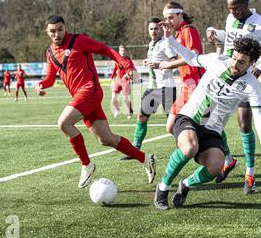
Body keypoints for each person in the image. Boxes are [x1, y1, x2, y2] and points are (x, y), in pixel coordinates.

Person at [154, 25, 261, 210]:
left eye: (241, 62)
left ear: (251, 63)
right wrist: (171, 40)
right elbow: (190, 57)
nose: (235, 64)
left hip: (212, 130)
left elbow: (259, 115)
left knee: (216, 166)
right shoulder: (217, 60)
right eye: (234, 58)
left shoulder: (252, 86)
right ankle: (163, 187)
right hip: (189, 118)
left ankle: (185, 184)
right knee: (189, 147)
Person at [34, 15, 157, 189]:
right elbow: (50, 78)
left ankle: (87, 165)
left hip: (90, 90)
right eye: (52, 31)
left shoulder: (79, 40)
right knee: (106, 139)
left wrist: (126, 65)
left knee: (63, 123)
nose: (56, 34)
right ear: (47, 32)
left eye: (60, 29)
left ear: (65, 27)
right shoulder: (50, 52)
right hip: (81, 96)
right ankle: (146, 159)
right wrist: (41, 85)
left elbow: (106, 50)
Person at [206, 0, 261, 184]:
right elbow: (230, 38)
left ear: (246, 5)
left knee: (244, 124)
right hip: (224, 75)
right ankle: (228, 160)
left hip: (244, 79)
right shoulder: (230, 18)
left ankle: (250, 173)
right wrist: (215, 32)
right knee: (212, 122)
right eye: (229, 9)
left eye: (236, 8)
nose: (232, 12)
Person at [121, 17, 178, 160]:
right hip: (152, 88)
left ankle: (182, 147)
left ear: (161, 29)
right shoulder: (151, 43)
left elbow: (175, 62)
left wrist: (159, 65)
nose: (153, 31)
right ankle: (135, 149)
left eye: (156, 28)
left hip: (166, 88)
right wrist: (149, 62)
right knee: (141, 116)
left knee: (173, 123)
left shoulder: (165, 43)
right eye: (151, 29)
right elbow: (155, 62)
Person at [159, 2, 205, 135]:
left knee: (205, 127)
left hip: (197, 86)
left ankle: (221, 154)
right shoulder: (178, 34)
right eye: (166, 19)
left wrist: (170, 65)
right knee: (171, 126)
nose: (168, 21)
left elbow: (194, 56)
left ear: (180, 14)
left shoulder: (188, 30)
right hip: (187, 86)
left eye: (171, 17)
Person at [110, 45, 134, 119]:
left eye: (124, 50)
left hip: (125, 82)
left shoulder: (129, 61)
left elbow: (132, 71)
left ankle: (130, 111)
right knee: (113, 99)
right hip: (118, 80)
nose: (122, 52)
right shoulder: (117, 59)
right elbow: (115, 68)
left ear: (126, 52)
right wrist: (111, 77)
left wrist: (128, 75)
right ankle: (117, 109)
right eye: (121, 51)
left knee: (125, 99)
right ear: (119, 52)